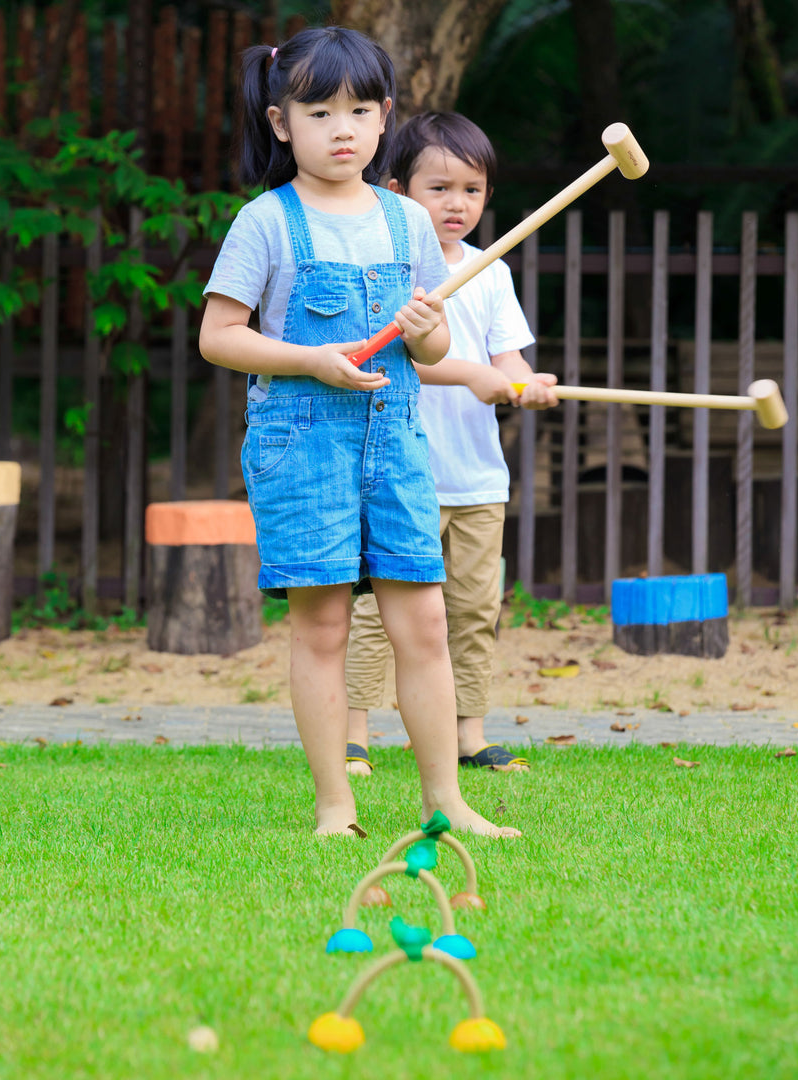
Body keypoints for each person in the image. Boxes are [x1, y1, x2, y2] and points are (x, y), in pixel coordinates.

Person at [198, 28, 522, 838]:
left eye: (360, 110)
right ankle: (334, 805)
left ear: (384, 122)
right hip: (302, 445)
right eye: (319, 111)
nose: (342, 127)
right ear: (281, 124)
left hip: (397, 444)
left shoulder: (408, 222)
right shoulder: (265, 223)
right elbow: (220, 337)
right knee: (325, 627)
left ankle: (444, 801)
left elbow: (437, 348)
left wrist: (425, 325)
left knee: (425, 623)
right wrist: (313, 359)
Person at [344, 111, 558, 778]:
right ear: (399, 188)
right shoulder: (388, 268)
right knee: (380, 611)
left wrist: (526, 386)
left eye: (472, 188)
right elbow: (390, 358)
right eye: (439, 188)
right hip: (402, 471)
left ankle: (469, 734)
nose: (457, 203)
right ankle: (354, 734)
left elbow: (508, 360)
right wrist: (470, 374)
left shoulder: (492, 272)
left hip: (478, 479)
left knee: (472, 610)